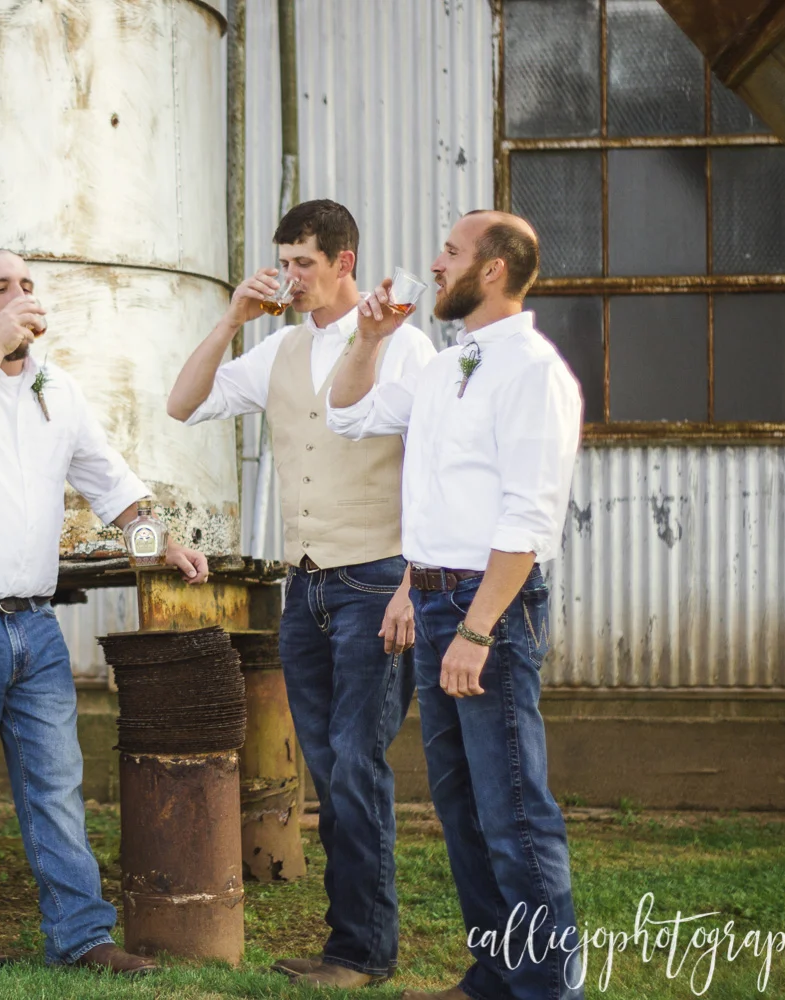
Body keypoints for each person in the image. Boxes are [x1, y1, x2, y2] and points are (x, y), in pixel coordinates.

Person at [0, 248, 210, 976]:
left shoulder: (56, 387)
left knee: (58, 789)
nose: (19, 296)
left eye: (27, 286)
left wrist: (161, 544)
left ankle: (82, 937)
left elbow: (111, 485)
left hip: (33, 622)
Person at [167, 200, 437, 988]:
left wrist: (414, 585)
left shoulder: (403, 344)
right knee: (327, 765)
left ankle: (362, 952)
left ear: (345, 262)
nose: (289, 278)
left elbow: (432, 468)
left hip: (379, 578)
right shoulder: (280, 348)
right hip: (307, 584)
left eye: (304, 264)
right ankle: (348, 944)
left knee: (356, 763)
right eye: (283, 263)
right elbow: (183, 403)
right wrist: (232, 319)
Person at [327, 211, 584, 1000]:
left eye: (451, 251)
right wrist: (368, 339)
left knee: (513, 810)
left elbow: (528, 516)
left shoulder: (534, 372)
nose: (435, 264)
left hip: (486, 607)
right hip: (437, 600)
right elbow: (347, 414)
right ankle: (497, 976)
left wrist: (477, 628)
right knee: (463, 805)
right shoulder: (445, 366)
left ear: (493, 269)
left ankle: (547, 988)